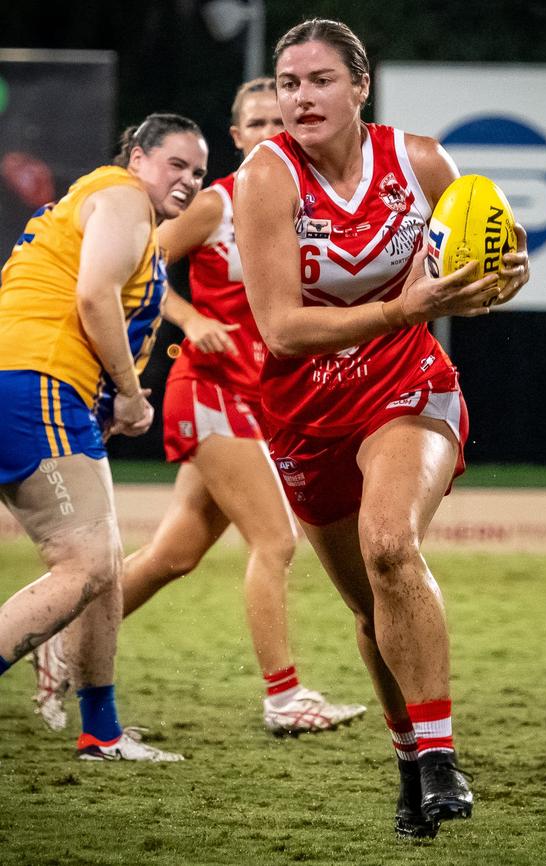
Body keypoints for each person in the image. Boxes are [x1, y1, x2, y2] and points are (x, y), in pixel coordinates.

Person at [233, 19, 530, 838]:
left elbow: (493, 255)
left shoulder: (423, 159)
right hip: (304, 413)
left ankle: (440, 757)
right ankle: (411, 764)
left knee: (391, 543)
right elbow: (282, 330)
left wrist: (507, 270)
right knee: (368, 610)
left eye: (319, 80)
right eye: (288, 83)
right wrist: (409, 305)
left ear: (359, 87)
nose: (300, 97)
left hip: (407, 384)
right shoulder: (265, 178)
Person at [31, 79, 366, 737]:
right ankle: (283, 697)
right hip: (212, 388)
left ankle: (61, 642)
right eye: (257, 122)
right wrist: (189, 318)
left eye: (282, 120)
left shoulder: (307, 209)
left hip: (255, 398)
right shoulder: (220, 201)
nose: (273, 130)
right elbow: (142, 263)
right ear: (238, 137)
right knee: (276, 539)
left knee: (171, 557)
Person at [0, 113, 209, 761]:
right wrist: (130, 390)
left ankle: (102, 730)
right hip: (37, 379)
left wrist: (111, 398)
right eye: (177, 163)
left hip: (39, 383)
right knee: (86, 564)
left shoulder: (117, 209)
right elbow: (93, 298)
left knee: (105, 564)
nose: (188, 180)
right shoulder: (122, 196)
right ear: (139, 156)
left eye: (199, 172)